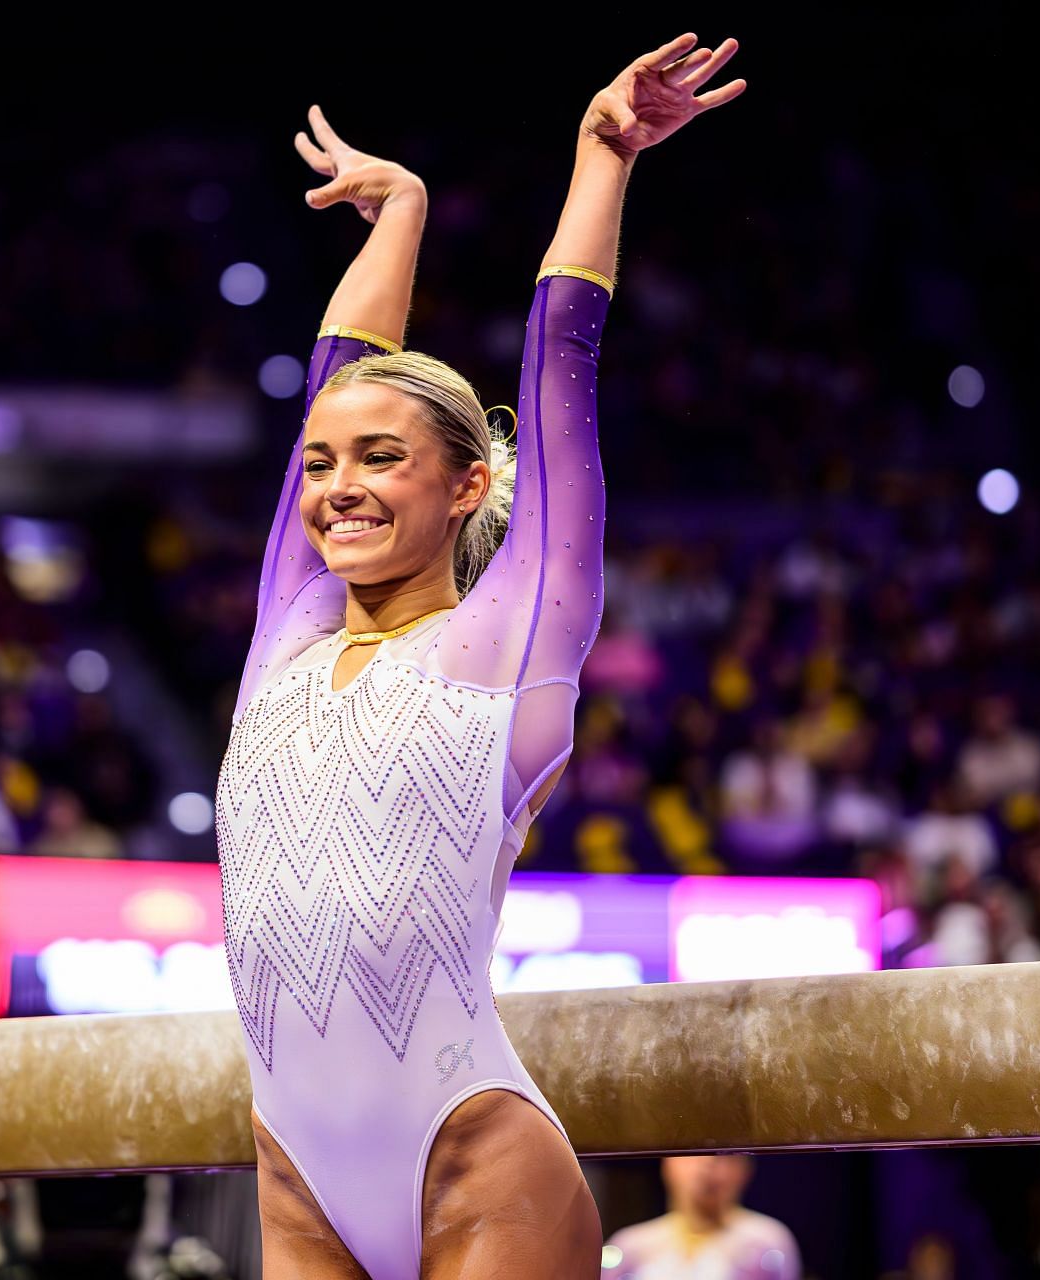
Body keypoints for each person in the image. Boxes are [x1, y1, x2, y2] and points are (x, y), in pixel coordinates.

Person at [212, 34, 746, 1280]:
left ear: (470, 484)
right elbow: (339, 377)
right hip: (296, 1175)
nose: (338, 489)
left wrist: (603, 155)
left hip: (473, 1155)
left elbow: (562, 366)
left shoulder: (504, 639)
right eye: (321, 466)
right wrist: (398, 213)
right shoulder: (287, 632)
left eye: (383, 460)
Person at [604, 1155, 801, 1279]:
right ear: (667, 1163)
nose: (708, 1164)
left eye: (725, 1155)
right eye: (692, 1153)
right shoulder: (629, 1246)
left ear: (745, 1170)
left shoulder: (767, 1241)